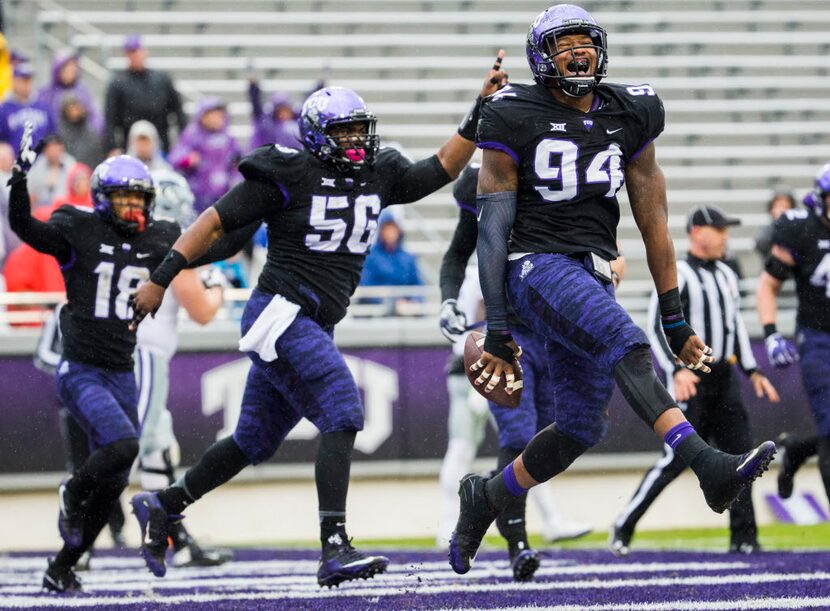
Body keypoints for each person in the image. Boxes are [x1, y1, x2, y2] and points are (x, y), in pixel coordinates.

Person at [127, 55, 508, 587]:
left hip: (310, 323)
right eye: (345, 132)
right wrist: (163, 276)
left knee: (252, 442)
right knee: (343, 408)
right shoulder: (287, 171)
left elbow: (440, 168)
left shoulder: (378, 173)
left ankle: (165, 504)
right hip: (281, 311)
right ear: (317, 136)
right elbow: (214, 221)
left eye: (360, 131)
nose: (357, 141)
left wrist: (479, 109)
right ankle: (333, 546)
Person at [448, 4, 776, 575]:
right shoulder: (511, 111)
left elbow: (652, 215)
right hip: (533, 264)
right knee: (624, 340)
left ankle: (490, 496)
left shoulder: (632, 110)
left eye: (586, 42)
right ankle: (707, 465)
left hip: (591, 269)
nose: (578, 52)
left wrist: (674, 315)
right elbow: (492, 226)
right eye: (564, 44)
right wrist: (497, 325)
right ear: (540, 57)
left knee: (580, 426)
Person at [7, 127, 180, 593]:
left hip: (122, 371)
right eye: (123, 199)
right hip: (81, 369)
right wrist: (19, 181)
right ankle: (70, 491)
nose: (132, 208)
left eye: (138, 199)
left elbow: (206, 246)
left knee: (113, 487)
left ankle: (61, 566)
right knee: (125, 446)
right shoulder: (79, 229)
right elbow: (27, 229)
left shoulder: (160, 236)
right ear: (103, 199)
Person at [438, 163, 591, 581]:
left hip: (549, 335)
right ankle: (517, 543)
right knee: (518, 437)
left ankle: (484, 497)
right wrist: (447, 301)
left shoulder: (538, 185)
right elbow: (456, 253)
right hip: (506, 336)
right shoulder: (478, 188)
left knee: (545, 444)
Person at [610, 206, 780, 557]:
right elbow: (656, 324)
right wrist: (675, 369)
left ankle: (744, 538)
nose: (725, 237)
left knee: (742, 457)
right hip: (693, 378)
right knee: (673, 461)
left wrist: (752, 370)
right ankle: (624, 524)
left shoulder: (727, 275)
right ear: (697, 233)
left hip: (724, 379)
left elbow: (734, 328)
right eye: (718, 229)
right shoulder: (682, 273)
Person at [757, 162, 830, 508]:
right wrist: (771, 333)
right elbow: (769, 286)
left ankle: (798, 450)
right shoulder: (800, 230)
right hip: (818, 338)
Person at [104, 35, 186, 154]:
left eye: (138, 51)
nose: (136, 56)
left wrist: (183, 144)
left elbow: (178, 111)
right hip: (130, 146)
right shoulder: (118, 83)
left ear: (144, 52)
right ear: (126, 55)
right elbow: (110, 118)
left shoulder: (161, 79)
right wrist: (112, 147)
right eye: (131, 52)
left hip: (161, 145)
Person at [169, 97, 242, 213]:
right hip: (198, 197)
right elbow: (174, 159)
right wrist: (188, 160)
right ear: (203, 116)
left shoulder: (228, 137)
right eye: (213, 114)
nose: (218, 118)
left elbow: (238, 161)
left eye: (220, 115)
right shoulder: (192, 134)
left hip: (223, 197)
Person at [359, 210, 424, 315]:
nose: (390, 233)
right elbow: (366, 286)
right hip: (377, 313)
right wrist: (391, 302)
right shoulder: (370, 257)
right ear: (381, 231)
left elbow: (418, 285)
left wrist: (413, 302)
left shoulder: (408, 258)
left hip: (405, 312)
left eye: (392, 229)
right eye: (386, 229)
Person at [37, 49, 103, 137]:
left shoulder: (82, 92)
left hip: (81, 140)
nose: (71, 71)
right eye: (67, 68)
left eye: (73, 67)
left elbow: (95, 118)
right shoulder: (46, 93)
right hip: (55, 142)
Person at [0, 62, 56, 152]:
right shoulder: (4, 109)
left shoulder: (44, 107)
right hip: (13, 163)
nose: (26, 84)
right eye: (22, 80)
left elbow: (52, 136)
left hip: (41, 163)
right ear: (14, 81)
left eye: (29, 80)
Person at [247, 76, 302, 151]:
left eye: (285, 110)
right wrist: (253, 89)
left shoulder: (298, 124)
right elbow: (257, 111)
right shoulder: (270, 127)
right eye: (280, 111)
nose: (283, 114)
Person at [26, 134, 76, 209]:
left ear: (62, 149)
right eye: (50, 149)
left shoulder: (70, 164)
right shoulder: (37, 166)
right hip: (43, 209)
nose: (54, 153)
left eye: (56, 149)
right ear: (45, 150)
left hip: (66, 208)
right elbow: (31, 192)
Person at [58, 94, 106, 169]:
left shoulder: (91, 133)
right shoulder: (61, 134)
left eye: (76, 107)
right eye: (70, 108)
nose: (74, 111)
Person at [754, 189, 796, 260]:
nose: (781, 210)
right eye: (778, 206)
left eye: (785, 207)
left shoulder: (798, 229)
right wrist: (778, 223)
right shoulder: (766, 229)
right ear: (771, 209)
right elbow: (762, 244)